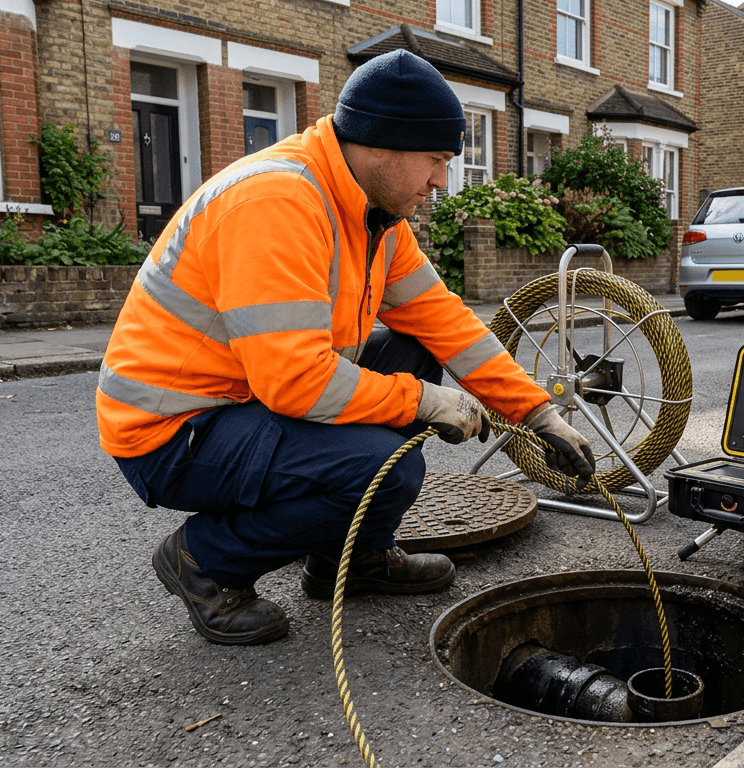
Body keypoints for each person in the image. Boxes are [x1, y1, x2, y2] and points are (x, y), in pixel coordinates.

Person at [97, 50, 595, 646]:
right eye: (435, 160)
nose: (441, 181)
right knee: (387, 470)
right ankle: (205, 560)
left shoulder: (375, 214)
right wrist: (423, 402)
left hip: (244, 397)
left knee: (416, 347)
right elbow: (296, 382)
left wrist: (537, 412)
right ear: (382, 145)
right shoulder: (276, 203)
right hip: (173, 430)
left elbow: (447, 324)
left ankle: (348, 561)